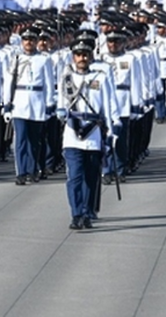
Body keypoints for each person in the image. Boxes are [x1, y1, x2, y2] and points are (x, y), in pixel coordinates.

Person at [58, 39, 119, 230]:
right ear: (73, 57)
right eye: (78, 55)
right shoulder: (66, 78)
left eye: (85, 54)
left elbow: (109, 106)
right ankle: (76, 214)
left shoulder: (100, 78)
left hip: (93, 134)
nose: (82, 58)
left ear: (91, 56)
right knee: (74, 176)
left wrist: (112, 132)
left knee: (91, 177)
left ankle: (87, 212)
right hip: (72, 134)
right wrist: (60, 112)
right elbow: (61, 104)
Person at [3, 28, 56, 185]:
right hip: (19, 102)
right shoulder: (16, 58)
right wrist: (7, 104)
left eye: (32, 39)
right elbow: (8, 83)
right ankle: (21, 172)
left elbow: (48, 83)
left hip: (37, 102)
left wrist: (49, 104)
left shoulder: (44, 59)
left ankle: (32, 170)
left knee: (34, 140)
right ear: (22, 41)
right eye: (26, 39)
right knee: (20, 140)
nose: (29, 42)